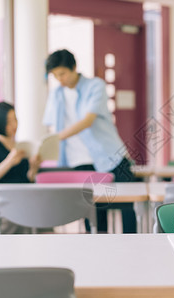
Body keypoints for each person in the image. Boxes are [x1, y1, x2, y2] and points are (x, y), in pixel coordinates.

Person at [42, 49, 136, 233]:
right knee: (92, 213)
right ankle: (97, 257)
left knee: (126, 208)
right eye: (55, 75)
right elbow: (51, 125)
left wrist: (56, 138)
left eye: (62, 74)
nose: (60, 79)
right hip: (80, 161)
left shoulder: (95, 86)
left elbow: (87, 121)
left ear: (74, 68)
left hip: (111, 156)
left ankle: (133, 250)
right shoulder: (56, 95)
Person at [0, 101, 42, 233]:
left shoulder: (22, 148)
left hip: (21, 200)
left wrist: (33, 168)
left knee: (41, 214)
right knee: (22, 216)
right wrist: (10, 161)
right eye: (9, 121)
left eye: (15, 120)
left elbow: (27, 179)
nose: (14, 125)